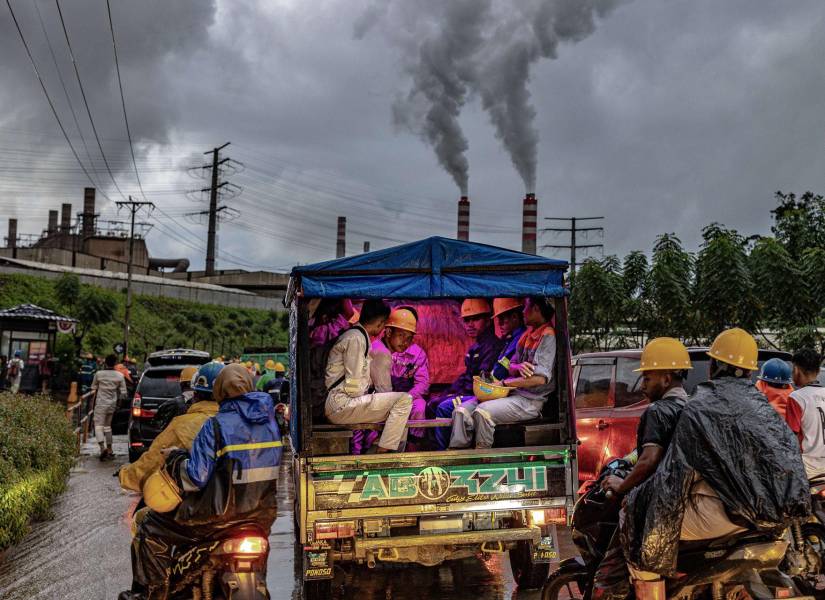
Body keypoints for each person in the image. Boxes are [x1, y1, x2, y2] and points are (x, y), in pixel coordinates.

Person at [621, 328, 809, 599]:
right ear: (748, 371)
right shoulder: (762, 407)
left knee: (638, 525)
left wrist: (638, 502)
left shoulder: (700, 406)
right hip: (767, 517)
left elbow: (674, 476)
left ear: (715, 366)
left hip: (722, 515)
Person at [122, 364, 282, 600]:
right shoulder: (271, 426)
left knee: (150, 528)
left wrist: (176, 459)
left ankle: (152, 593)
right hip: (261, 517)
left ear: (219, 391)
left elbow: (195, 478)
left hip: (217, 519)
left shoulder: (215, 425)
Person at [591, 338, 691, 600]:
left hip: (657, 506)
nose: (642, 385)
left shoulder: (657, 411)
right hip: (686, 503)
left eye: (647, 378)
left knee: (609, 574)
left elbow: (650, 460)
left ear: (666, 379)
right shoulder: (691, 408)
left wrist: (621, 485)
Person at [449, 296, 556, 449]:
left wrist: (505, 382)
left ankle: (481, 456)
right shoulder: (527, 335)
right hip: (512, 395)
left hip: (529, 401)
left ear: (536, 309)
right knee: (460, 411)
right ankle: (458, 454)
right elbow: (511, 364)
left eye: (525, 308)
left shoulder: (547, 336)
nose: (523, 313)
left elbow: (540, 379)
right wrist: (517, 367)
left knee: (482, 412)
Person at [324, 299, 412, 453]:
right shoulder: (356, 339)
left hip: (343, 402)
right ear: (380, 323)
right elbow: (354, 386)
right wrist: (367, 394)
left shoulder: (358, 337)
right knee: (404, 400)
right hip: (341, 404)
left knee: (399, 413)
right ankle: (381, 455)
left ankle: (384, 451)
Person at [118, 363, 221, 493]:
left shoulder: (182, 425)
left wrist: (125, 475)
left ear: (196, 394)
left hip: (198, 502)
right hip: (239, 502)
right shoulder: (240, 422)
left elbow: (151, 463)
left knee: (142, 514)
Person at [432, 299, 503, 450]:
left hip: (480, 395)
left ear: (488, 321)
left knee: (443, 407)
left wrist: (451, 396)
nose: (470, 324)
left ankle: (443, 454)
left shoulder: (492, 346)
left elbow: (481, 381)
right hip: (468, 392)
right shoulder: (476, 347)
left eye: (476, 319)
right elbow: (466, 376)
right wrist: (446, 392)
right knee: (434, 402)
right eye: (466, 320)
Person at [359, 306, 430, 452]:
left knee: (420, 407)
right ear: (389, 331)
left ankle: (412, 450)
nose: (405, 341)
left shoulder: (417, 353)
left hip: (405, 395)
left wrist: (408, 397)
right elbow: (382, 392)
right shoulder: (379, 351)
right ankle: (382, 450)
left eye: (409, 337)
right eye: (401, 335)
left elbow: (423, 383)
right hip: (380, 398)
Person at [786, 348, 825, 479]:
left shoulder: (796, 398)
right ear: (818, 371)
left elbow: (790, 437)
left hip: (808, 469)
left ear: (796, 370)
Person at [91, 354, 127, 461]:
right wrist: (119, 404)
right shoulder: (120, 376)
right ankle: (110, 449)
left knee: (98, 426)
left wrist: (91, 405)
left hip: (101, 403)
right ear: (115, 363)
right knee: (108, 426)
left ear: (105, 362)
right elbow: (123, 393)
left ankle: (102, 449)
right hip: (112, 404)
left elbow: (93, 389)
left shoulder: (99, 374)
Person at [491, 298, 527, 381]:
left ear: (514, 317)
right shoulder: (510, 338)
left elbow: (501, 372)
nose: (499, 324)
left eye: (502, 319)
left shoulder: (520, 338)